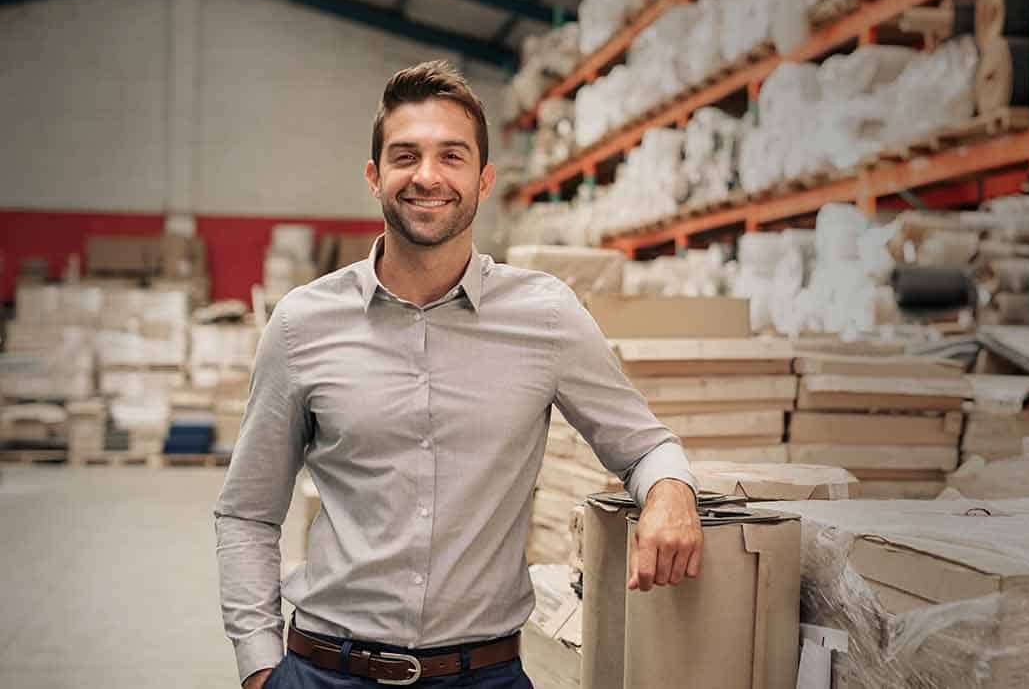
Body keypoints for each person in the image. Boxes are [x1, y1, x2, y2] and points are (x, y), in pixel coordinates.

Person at [215, 60, 703, 689]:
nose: (427, 176)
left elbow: (645, 446)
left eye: (451, 156)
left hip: (483, 674)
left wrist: (672, 494)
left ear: (484, 179)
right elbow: (249, 511)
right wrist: (259, 668)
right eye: (405, 156)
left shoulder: (547, 316)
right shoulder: (302, 323)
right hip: (326, 670)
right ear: (374, 176)